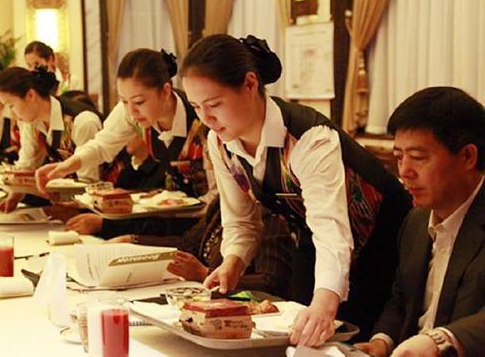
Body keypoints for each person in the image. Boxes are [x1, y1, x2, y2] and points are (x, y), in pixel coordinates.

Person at [180, 34, 412, 345]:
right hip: (311, 236)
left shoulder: (309, 138)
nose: (206, 119)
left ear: (250, 84)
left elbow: (331, 226)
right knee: (300, 332)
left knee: (350, 335)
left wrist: (325, 302)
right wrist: (232, 263)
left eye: (214, 104)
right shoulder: (221, 143)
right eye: (196, 106)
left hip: (380, 237)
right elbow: (241, 221)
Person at [354, 87, 485, 357]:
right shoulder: (416, 221)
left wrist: (440, 340)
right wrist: (382, 341)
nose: (404, 172)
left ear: (468, 157)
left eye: (418, 158)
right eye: (400, 157)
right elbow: (402, 300)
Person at [35, 48, 216, 238]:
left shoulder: (202, 122)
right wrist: (65, 166)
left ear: (165, 91)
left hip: (205, 222)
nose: (131, 112)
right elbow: (102, 145)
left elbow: (217, 197)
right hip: (169, 215)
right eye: (123, 101)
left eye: (139, 102)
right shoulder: (133, 112)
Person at [104, 196, 292, 296]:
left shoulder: (272, 218)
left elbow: (272, 283)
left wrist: (204, 273)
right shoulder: (222, 202)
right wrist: (133, 240)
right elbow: (189, 244)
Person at [0, 66, 102, 212]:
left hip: (106, 203)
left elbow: (90, 182)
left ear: (30, 96)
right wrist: (15, 193)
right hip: (75, 200)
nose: (10, 114)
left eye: (11, 105)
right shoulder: (31, 122)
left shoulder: (81, 121)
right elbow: (27, 164)